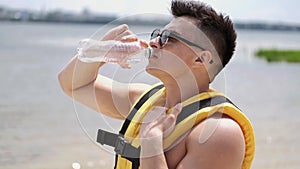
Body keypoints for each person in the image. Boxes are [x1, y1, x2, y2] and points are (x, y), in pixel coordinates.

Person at [58, 0, 255, 169]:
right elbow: (72, 84)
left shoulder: (219, 132)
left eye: (168, 39)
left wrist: (151, 140)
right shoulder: (145, 100)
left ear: (200, 59)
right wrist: (101, 51)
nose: (154, 43)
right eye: (157, 35)